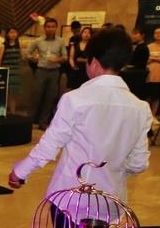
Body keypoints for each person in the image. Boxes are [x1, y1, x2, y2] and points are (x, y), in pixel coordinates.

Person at [8, 28, 151, 205]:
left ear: (94, 62)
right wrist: (112, 172)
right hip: (111, 201)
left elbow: (51, 144)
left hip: (70, 198)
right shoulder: (141, 107)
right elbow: (139, 163)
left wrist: (20, 172)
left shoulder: (74, 99)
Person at [27, 17, 68, 129]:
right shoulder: (38, 41)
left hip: (54, 72)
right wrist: (35, 59)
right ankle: (29, 121)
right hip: (41, 71)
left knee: (50, 97)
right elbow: (27, 54)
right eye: (48, 27)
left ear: (56, 28)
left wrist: (57, 59)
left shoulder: (60, 41)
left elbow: (65, 57)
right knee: (36, 96)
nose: (50, 29)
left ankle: (43, 122)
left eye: (53, 27)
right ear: (44, 28)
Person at [0, 27, 23, 111]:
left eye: (15, 32)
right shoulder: (3, 46)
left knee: (13, 95)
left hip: (16, 72)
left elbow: (21, 57)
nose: (13, 34)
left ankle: (13, 113)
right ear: (7, 34)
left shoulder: (19, 45)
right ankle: (3, 112)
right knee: (4, 94)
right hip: (6, 72)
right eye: (11, 32)